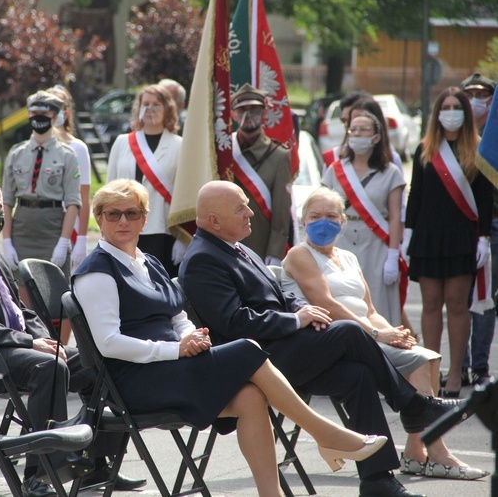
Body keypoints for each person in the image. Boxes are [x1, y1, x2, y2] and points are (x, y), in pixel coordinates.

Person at [73, 179, 387, 496]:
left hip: (171, 367)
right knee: (246, 350)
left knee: (251, 396)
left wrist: (191, 336)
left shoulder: (148, 261)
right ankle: (324, 433)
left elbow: (177, 316)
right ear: (99, 218)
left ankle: (272, 493)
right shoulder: (97, 271)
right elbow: (108, 343)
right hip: (134, 381)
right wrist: (175, 349)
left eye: (132, 213)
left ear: (144, 218)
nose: (123, 221)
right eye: (113, 214)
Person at [179, 180, 466, 497]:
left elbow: (282, 297)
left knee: (359, 375)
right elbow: (233, 322)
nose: (250, 212)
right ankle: (413, 406)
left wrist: (307, 312)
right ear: (214, 220)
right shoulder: (203, 258)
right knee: (350, 331)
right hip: (255, 364)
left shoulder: (236, 246)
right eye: (240, 208)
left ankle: (377, 480)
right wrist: (294, 320)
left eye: (246, 204)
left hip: (283, 350)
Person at [0, 175, 145, 497]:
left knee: (101, 360)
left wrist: (43, 337)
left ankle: (95, 462)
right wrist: (30, 343)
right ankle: (39, 473)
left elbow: (20, 310)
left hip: (15, 344)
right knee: (49, 367)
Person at [282, 188, 488, 480]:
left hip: (367, 330)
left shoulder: (348, 258)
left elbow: (369, 308)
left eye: (331, 216)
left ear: (343, 222)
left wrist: (393, 331)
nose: (323, 222)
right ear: (303, 221)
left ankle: (417, 453)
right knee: (418, 361)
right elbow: (327, 303)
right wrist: (379, 333)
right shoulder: (301, 254)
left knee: (425, 356)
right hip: (336, 338)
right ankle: (436, 453)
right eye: (315, 216)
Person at [403, 87, 493, 398]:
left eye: (457, 107)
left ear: (466, 114)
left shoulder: (478, 150)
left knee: (457, 305)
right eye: (446, 106)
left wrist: (482, 236)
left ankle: (456, 373)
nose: (451, 111)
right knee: (429, 305)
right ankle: (432, 372)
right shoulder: (425, 149)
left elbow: (484, 198)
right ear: (437, 112)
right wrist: (408, 232)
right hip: (428, 237)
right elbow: (416, 194)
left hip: (461, 238)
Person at [321, 110, 405, 326]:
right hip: (342, 239)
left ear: (376, 137)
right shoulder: (336, 169)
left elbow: (395, 215)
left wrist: (393, 255)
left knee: (378, 303)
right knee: (343, 298)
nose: (357, 134)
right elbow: (321, 205)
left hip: (376, 243)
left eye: (363, 130)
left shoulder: (391, 172)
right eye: (353, 130)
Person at [2, 90, 80, 290]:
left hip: (52, 228)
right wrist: (7, 240)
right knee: (22, 293)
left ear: (55, 117)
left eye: (44, 115)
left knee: (55, 293)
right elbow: (7, 201)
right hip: (22, 229)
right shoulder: (16, 153)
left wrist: (63, 242)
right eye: (34, 114)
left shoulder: (67, 155)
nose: (38, 119)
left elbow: (73, 203)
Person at [107, 84, 183, 277]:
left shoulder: (179, 145)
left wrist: (183, 237)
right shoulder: (122, 142)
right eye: (146, 104)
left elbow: (183, 193)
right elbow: (108, 191)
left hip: (161, 231)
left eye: (157, 104)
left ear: (167, 109)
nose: (150, 109)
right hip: (123, 229)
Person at [460, 72, 497, 387]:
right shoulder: (455, 135)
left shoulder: (494, 135)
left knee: (484, 297)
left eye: (482, 95)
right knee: (458, 297)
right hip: (459, 225)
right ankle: (460, 362)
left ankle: (479, 366)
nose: (476, 101)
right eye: (469, 94)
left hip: (492, 226)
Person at [229, 83, 291, 266]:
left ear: (264, 113)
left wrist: (275, 252)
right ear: (233, 114)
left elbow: (281, 211)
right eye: (242, 110)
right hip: (226, 240)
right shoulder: (224, 150)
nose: (248, 116)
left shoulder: (279, 155)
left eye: (255, 110)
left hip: (260, 244)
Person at [46, 85, 92, 274]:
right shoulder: (33, 146)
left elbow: (84, 196)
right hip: (43, 224)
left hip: (70, 225)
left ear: (66, 112)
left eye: (58, 106)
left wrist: (81, 239)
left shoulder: (78, 148)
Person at [321, 91, 370, 167]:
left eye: (352, 120)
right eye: (344, 120)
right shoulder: (332, 157)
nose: (347, 125)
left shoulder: (391, 160)